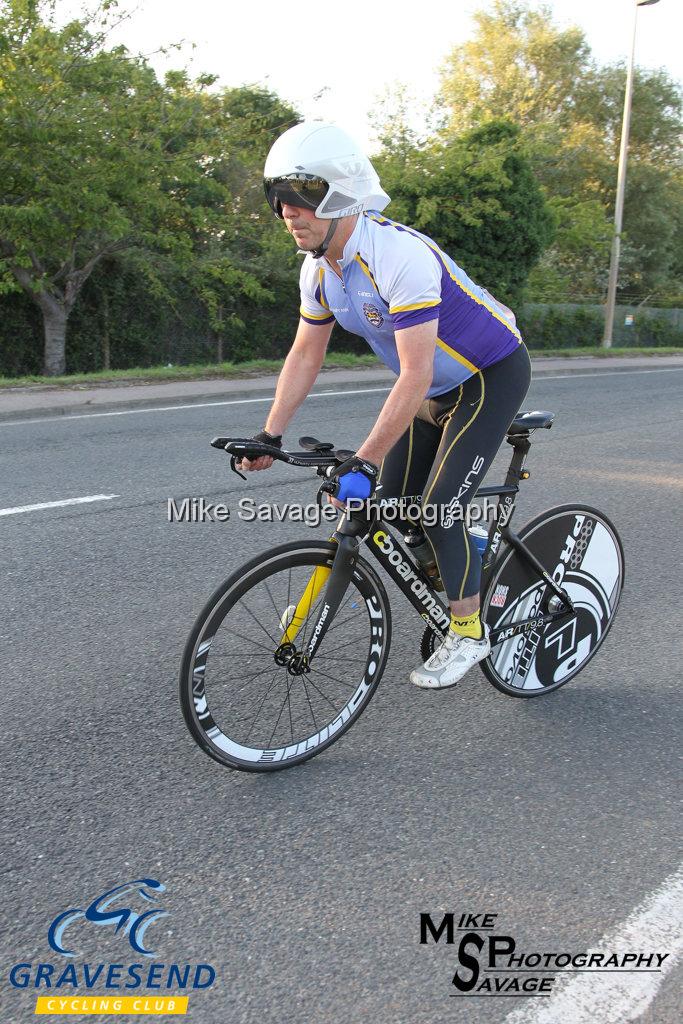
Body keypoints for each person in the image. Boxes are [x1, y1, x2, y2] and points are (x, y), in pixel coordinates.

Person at [240, 121, 531, 689]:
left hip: (487, 376)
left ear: (340, 197)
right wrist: (269, 436)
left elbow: (416, 371)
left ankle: (469, 629)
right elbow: (305, 354)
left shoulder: (398, 256)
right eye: (280, 203)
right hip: (427, 391)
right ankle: (464, 563)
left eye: (301, 201)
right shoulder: (319, 271)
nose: (288, 215)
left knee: (439, 508)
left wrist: (366, 458)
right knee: (396, 507)